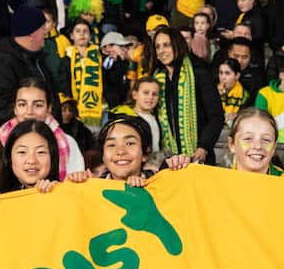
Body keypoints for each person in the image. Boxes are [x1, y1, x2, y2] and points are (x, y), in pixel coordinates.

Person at [145, 25, 223, 164]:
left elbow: (216, 116)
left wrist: (203, 147)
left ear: (177, 45)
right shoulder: (157, 77)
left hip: (199, 158)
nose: (162, 51)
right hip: (169, 160)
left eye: (166, 45)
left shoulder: (199, 72)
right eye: (157, 47)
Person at [0, 4, 66, 127]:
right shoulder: (3, 62)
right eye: (42, 28)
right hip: (21, 137)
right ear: (32, 33)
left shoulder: (38, 58)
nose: (46, 32)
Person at [0, 78, 85, 177]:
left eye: (38, 105)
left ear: (49, 108)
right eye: (22, 104)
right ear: (15, 109)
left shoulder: (67, 143)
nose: (29, 112)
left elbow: (74, 185)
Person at [223, 107, 284, 176]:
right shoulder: (217, 180)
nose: (258, 146)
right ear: (231, 144)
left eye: (266, 140)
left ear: (274, 147)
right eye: (248, 138)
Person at [96, 115, 156, 185]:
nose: (120, 151)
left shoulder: (159, 184)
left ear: (145, 154)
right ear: (103, 156)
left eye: (130, 143)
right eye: (112, 145)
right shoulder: (92, 189)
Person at [218, 58, 246, 126]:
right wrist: (216, 97)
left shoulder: (245, 95)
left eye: (227, 73)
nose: (223, 77)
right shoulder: (212, 91)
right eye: (221, 73)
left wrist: (237, 116)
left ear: (237, 76)